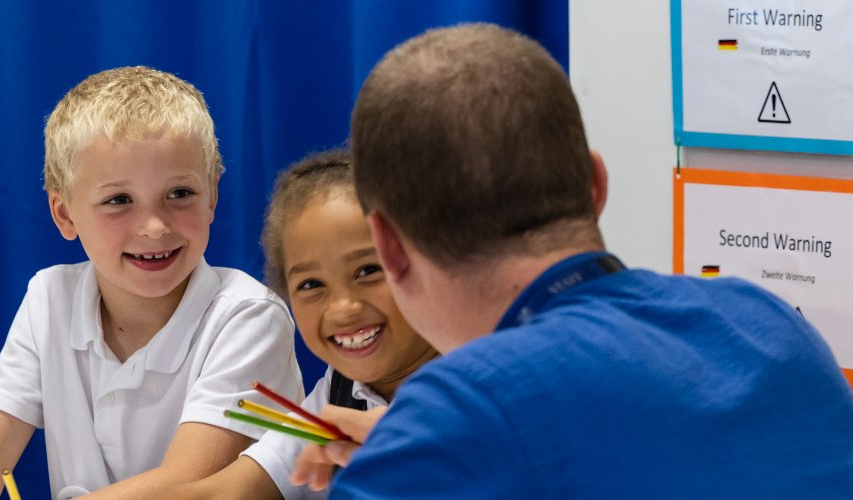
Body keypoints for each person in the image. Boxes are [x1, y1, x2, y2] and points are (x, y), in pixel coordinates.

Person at [294, 23, 853, 497]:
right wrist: (423, 441)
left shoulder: (458, 417)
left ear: (388, 246)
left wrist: (427, 447)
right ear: (596, 184)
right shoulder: (767, 324)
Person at [0, 66, 303, 500]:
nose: (154, 226)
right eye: (119, 200)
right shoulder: (49, 298)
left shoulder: (249, 315)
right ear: (64, 214)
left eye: (180, 194)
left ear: (212, 195)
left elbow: (184, 482)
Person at [170, 150, 438, 500]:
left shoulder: (476, 388)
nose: (343, 308)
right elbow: (230, 491)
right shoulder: (338, 392)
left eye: (368, 271)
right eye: (311, 285)